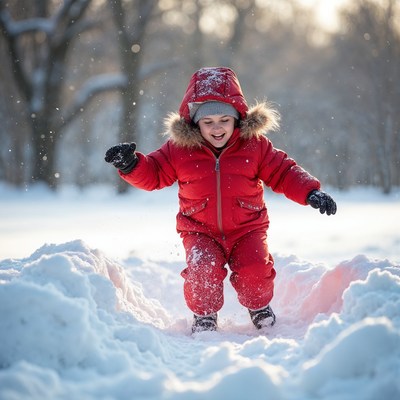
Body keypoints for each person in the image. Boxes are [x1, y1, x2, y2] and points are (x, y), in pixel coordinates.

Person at [105, 67, 336, 334]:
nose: (217, 128)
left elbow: (283, 171)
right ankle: (204, 315)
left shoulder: (255, 145)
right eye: (208, 122)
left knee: (255, 272)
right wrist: (131, 165)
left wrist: (310, 192)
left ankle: (259, 306)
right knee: (202, 271)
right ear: (195, 123)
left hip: (247, 228)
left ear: (237, 119)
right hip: (199, 229)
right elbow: (154, 173)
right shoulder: (179, 150)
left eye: (224, 120)